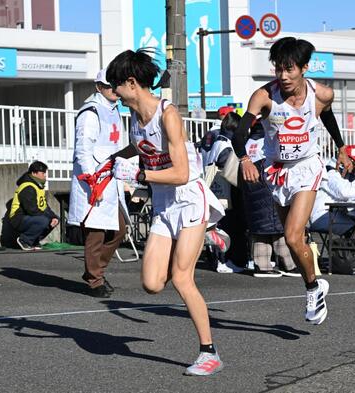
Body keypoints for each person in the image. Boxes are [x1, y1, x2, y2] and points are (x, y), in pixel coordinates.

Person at [105, 48, 225, 376]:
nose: (112, 92)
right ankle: (210, 234)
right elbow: (141, 146)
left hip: (188, 199)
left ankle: (208, 353)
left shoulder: (167, 115)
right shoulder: (133, 116)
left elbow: (182, 173)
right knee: (152, 284)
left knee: (183, 279)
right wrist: (113, 160)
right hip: (163, 204)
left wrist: (139, 175)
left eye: (115, 85)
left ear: (131, 83)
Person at [231, 37, 353, 325]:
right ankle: (315, 282)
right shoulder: (264, 97)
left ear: (304, 68)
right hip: (277, 170)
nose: (283, 76)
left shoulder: (322, 94)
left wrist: (341, 146)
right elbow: (239, 134)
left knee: (292, 236)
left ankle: (312, 289)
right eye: (278, 69)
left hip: (307, 167)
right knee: (295, 238)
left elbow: (328, 117)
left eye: (289, 69)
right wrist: (245, 159)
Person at [68, 68, 129, 298]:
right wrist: (91, 180)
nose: (113, 89)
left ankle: (95, 272)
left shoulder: (114, 109)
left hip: (111, 179)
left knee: (119, 229)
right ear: (98, 87)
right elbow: (82, 150)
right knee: (96, 233)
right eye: (108, 85)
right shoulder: (90, 112)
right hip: (94, 180)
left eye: (115, 84)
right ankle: (95, 279)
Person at [242, 120, 300, 278]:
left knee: (260, 230)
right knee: (279, 227)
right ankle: (288, 264)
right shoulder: (266, 142)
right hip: (267, 188)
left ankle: (262, 266)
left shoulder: (248, 142)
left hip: (251, 190)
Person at [205, 111, 244, 273]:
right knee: (227, 227)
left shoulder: (216, 141)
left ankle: (219, 259)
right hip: (225, 191)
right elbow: (227, 166)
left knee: (218, 226)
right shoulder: (226, 144)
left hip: (215, 189)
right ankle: (224, 260)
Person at [9, 161, 59, 251]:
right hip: (18, 218)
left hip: (29, 217)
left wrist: (53, 217)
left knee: (55, 219)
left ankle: (34, 241)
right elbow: (31, 210)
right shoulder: (27, 186)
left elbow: (44, 207)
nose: (45, 176)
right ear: (34, 173)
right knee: (43, 220)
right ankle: (24, 240)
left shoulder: (38, 187)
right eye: (43, 173)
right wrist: (48, 217)